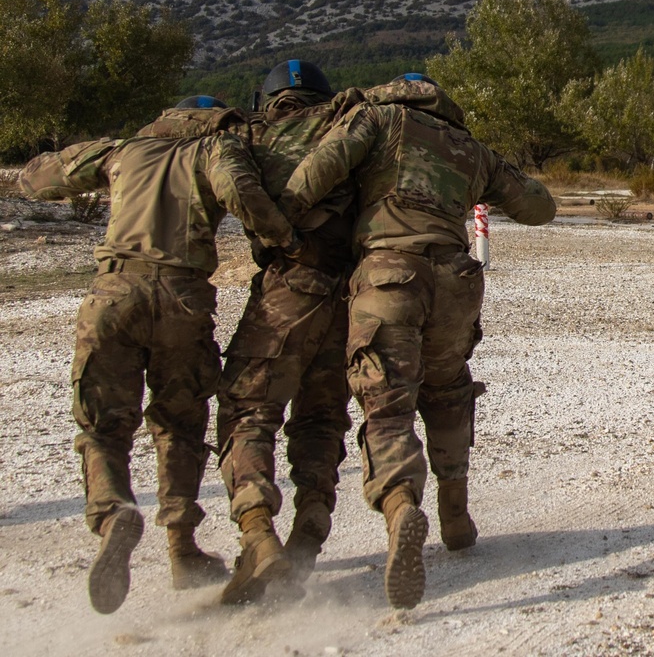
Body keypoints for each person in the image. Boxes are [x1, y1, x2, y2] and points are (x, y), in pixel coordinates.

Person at [280, 74, 556, 609]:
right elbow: (539, 207)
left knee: (387, 404)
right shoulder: (470, 148)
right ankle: (456, 511)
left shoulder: (375, 120)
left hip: (389, 275)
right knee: (449, 386)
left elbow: (312, 177)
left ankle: (402, 506)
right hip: (457, 278)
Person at [19, 96, 297, 615]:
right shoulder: (215, 149)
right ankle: (182, 547)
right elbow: (240, 191)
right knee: (180, 424)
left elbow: (37, 180)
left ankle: (112, 511)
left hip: (113, 294)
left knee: (102, 425)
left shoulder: (123, 151)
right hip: (182, 299)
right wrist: (280, 237)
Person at [215, 60, 364, 604]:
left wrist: (278, 234)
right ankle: (311, 529)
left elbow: (229, 184)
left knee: (247, 408)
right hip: (349, 292)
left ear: (270, 98)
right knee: (322, 417)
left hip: (288, 287)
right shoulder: (352, 124)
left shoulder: (250, 135)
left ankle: (257, 533)